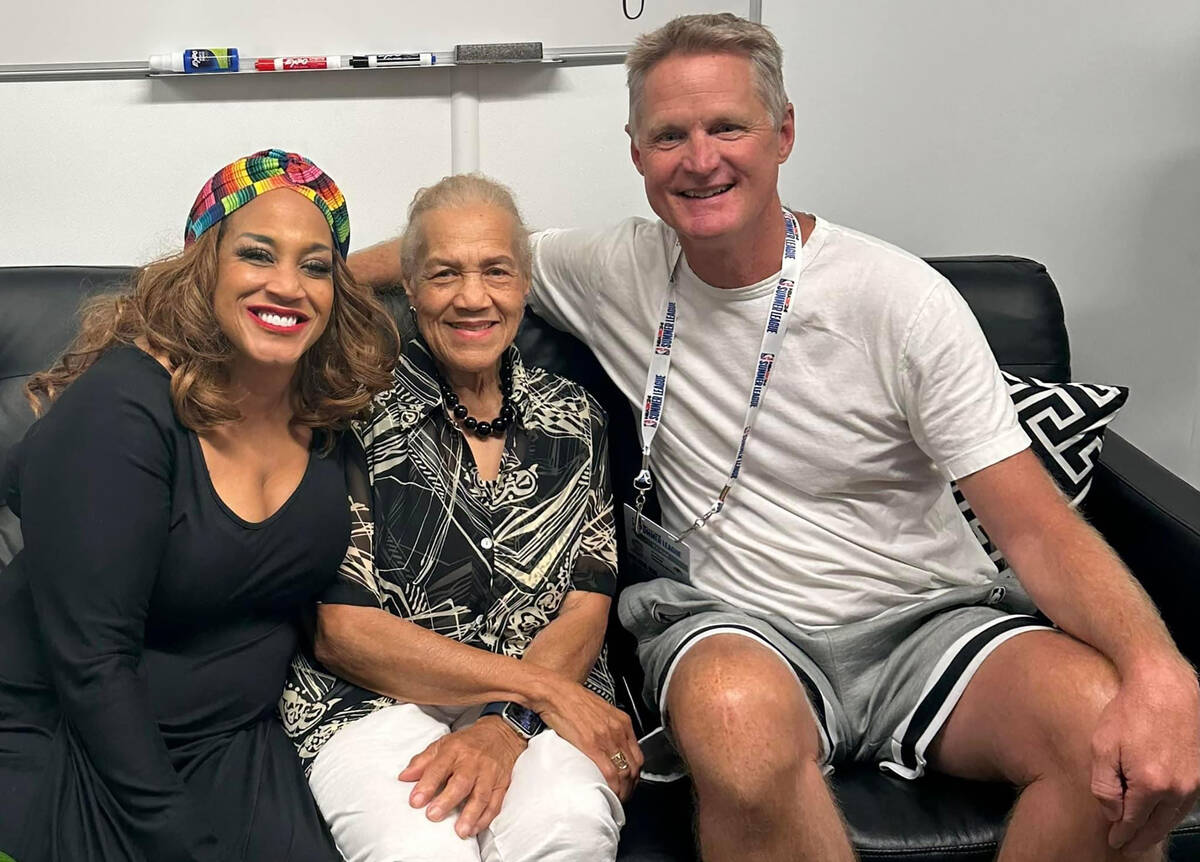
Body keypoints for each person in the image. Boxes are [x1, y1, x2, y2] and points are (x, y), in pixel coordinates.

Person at [349, 14, 1200, 862]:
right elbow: (464, 249)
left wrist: (1159, 672)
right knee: (733, 720)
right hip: (739, 627)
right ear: (637, 153)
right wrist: (307, 278)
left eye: (728, 126)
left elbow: (1037, 526)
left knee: (1100, 732)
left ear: (783, 131)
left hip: (926, 623)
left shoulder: (899, 299)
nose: (701, 157)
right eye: (670, 135)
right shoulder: (615, 268)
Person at [0, 149, 400, 862]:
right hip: (83, 743)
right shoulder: (121, 412)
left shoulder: (325, 409)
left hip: (236, 744)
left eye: (315, 266)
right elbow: (92, 664)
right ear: (203, 266)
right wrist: (178, 841)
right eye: (256, 255)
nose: (287, 286)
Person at [281, 173, 639, 862]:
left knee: (571, 826)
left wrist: (508, 722)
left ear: (526, 284)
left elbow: (586, 607)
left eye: (496, 271)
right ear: (409, 288)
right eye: (445, 273)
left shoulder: (576, 418)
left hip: (543, 708)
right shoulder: (348, 416)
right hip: (374, 706)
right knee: (424, 847)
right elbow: (344, 632)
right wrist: (528, 692)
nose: (473, 298)